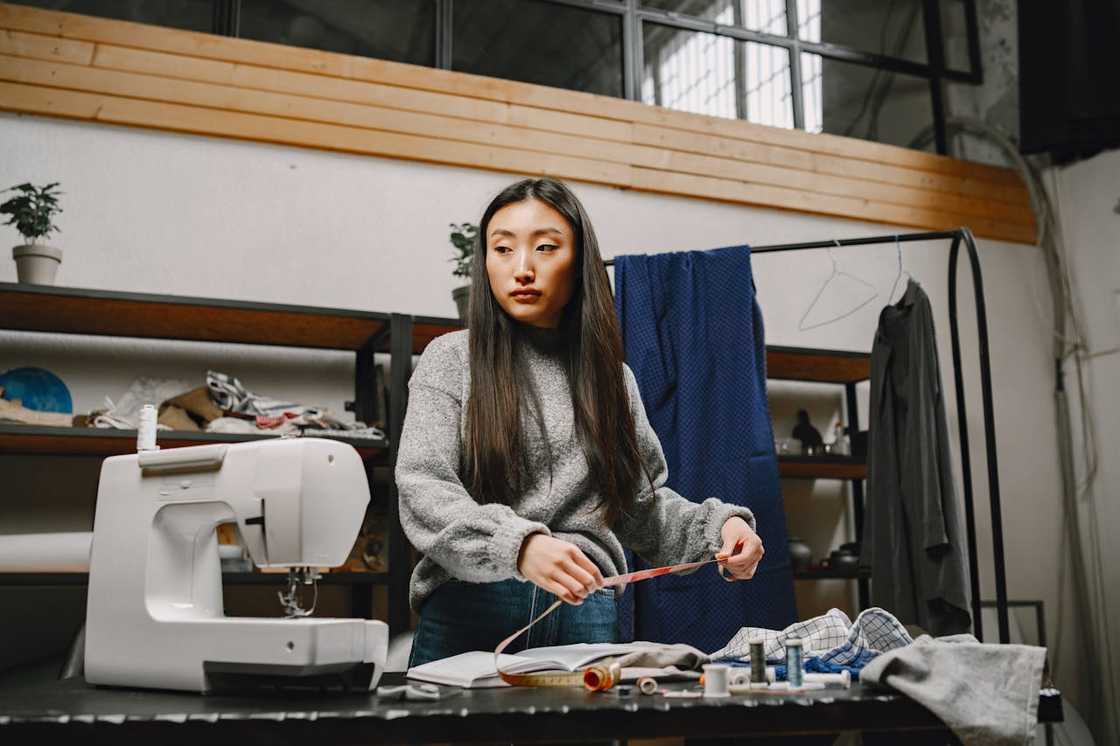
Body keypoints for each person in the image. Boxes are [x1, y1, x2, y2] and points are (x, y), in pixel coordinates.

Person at [397, 177, 765, 667]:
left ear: (580, 263)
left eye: (545, 247)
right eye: (502, 249)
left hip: (586, 610)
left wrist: (720, 529)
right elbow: (423, 487)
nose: (522, 268)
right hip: (471, 604)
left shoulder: (613, 379)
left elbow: (639, 508)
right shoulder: (450, 359)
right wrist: (518, 546)